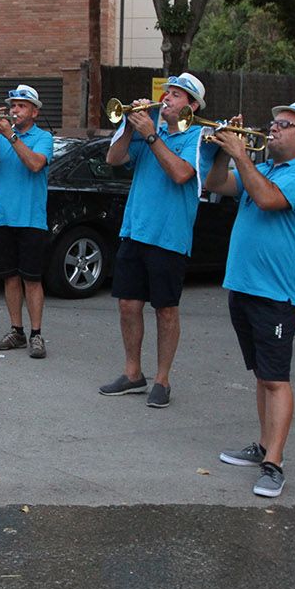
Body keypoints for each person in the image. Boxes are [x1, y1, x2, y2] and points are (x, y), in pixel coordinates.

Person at [204, 98, 295, 499]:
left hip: (276, 293)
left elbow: (268, 199)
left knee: (276, 379)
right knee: (262, 374)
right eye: (273, 122)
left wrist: (241, 155)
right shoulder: (266, 168)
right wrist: (224, 152)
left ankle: (274, 463)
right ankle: (263, 446)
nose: (273, 128)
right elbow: (215, 184)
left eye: (285, 125)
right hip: (244, 286)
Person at [99, 72, 218, 407]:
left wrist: (152, 137)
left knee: (165, 310)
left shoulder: (200, 137)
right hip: (135, 230)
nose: (167, 99)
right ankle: (133, 373)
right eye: (168, 93)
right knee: (127, 304)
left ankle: (162, 379)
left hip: (170, 236)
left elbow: (182, 174)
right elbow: (113, 159)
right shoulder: (152, 127)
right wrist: (130, 126)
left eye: (177, 95)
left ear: (192, 105)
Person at [0, 84, 54, 358]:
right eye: (13, 105)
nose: (15, 110)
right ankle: (16, 330)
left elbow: (34, 164)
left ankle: (36, 334)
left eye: (21, 106)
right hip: (2, 217)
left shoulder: (43, 137)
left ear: (34, 111)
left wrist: (11, 136)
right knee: (9, 277)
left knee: (32, 279)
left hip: (31, 219)